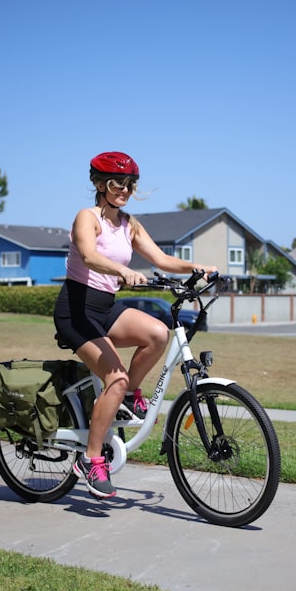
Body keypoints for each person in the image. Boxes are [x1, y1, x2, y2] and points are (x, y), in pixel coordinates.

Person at [53, 151, 217, 499]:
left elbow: (160, 259)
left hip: (105, 307)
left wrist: (195, 268)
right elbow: (88, 255)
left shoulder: (130, 224)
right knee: (115, 377)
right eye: (117, 183)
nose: (125, 190)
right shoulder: (88, 217)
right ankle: (92, 459)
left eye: (130, 184)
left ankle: (127, 396)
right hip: (76, 310)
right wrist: (122, 271)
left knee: (158, 334)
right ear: (99, 184)